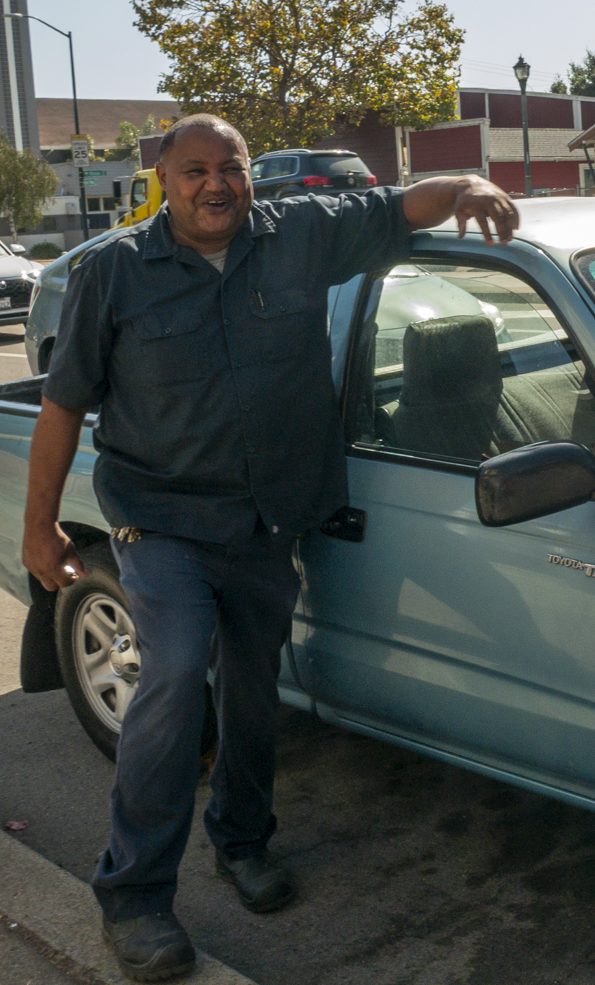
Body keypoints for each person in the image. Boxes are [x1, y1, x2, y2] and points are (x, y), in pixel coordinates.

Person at [21, 114, 519, 982]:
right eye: (195, 172)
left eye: (233, 168)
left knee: (254, 694)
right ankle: (134, 897)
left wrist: (469, 186)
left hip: (266, 523)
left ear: (251, 174)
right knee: (173, 674)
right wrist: (39, 526)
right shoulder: (116, 274)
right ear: (163, 182)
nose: (217, 185)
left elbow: (404, 206)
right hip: (164, 520)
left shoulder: (298, 236)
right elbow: (62, 404)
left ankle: (243, 842)